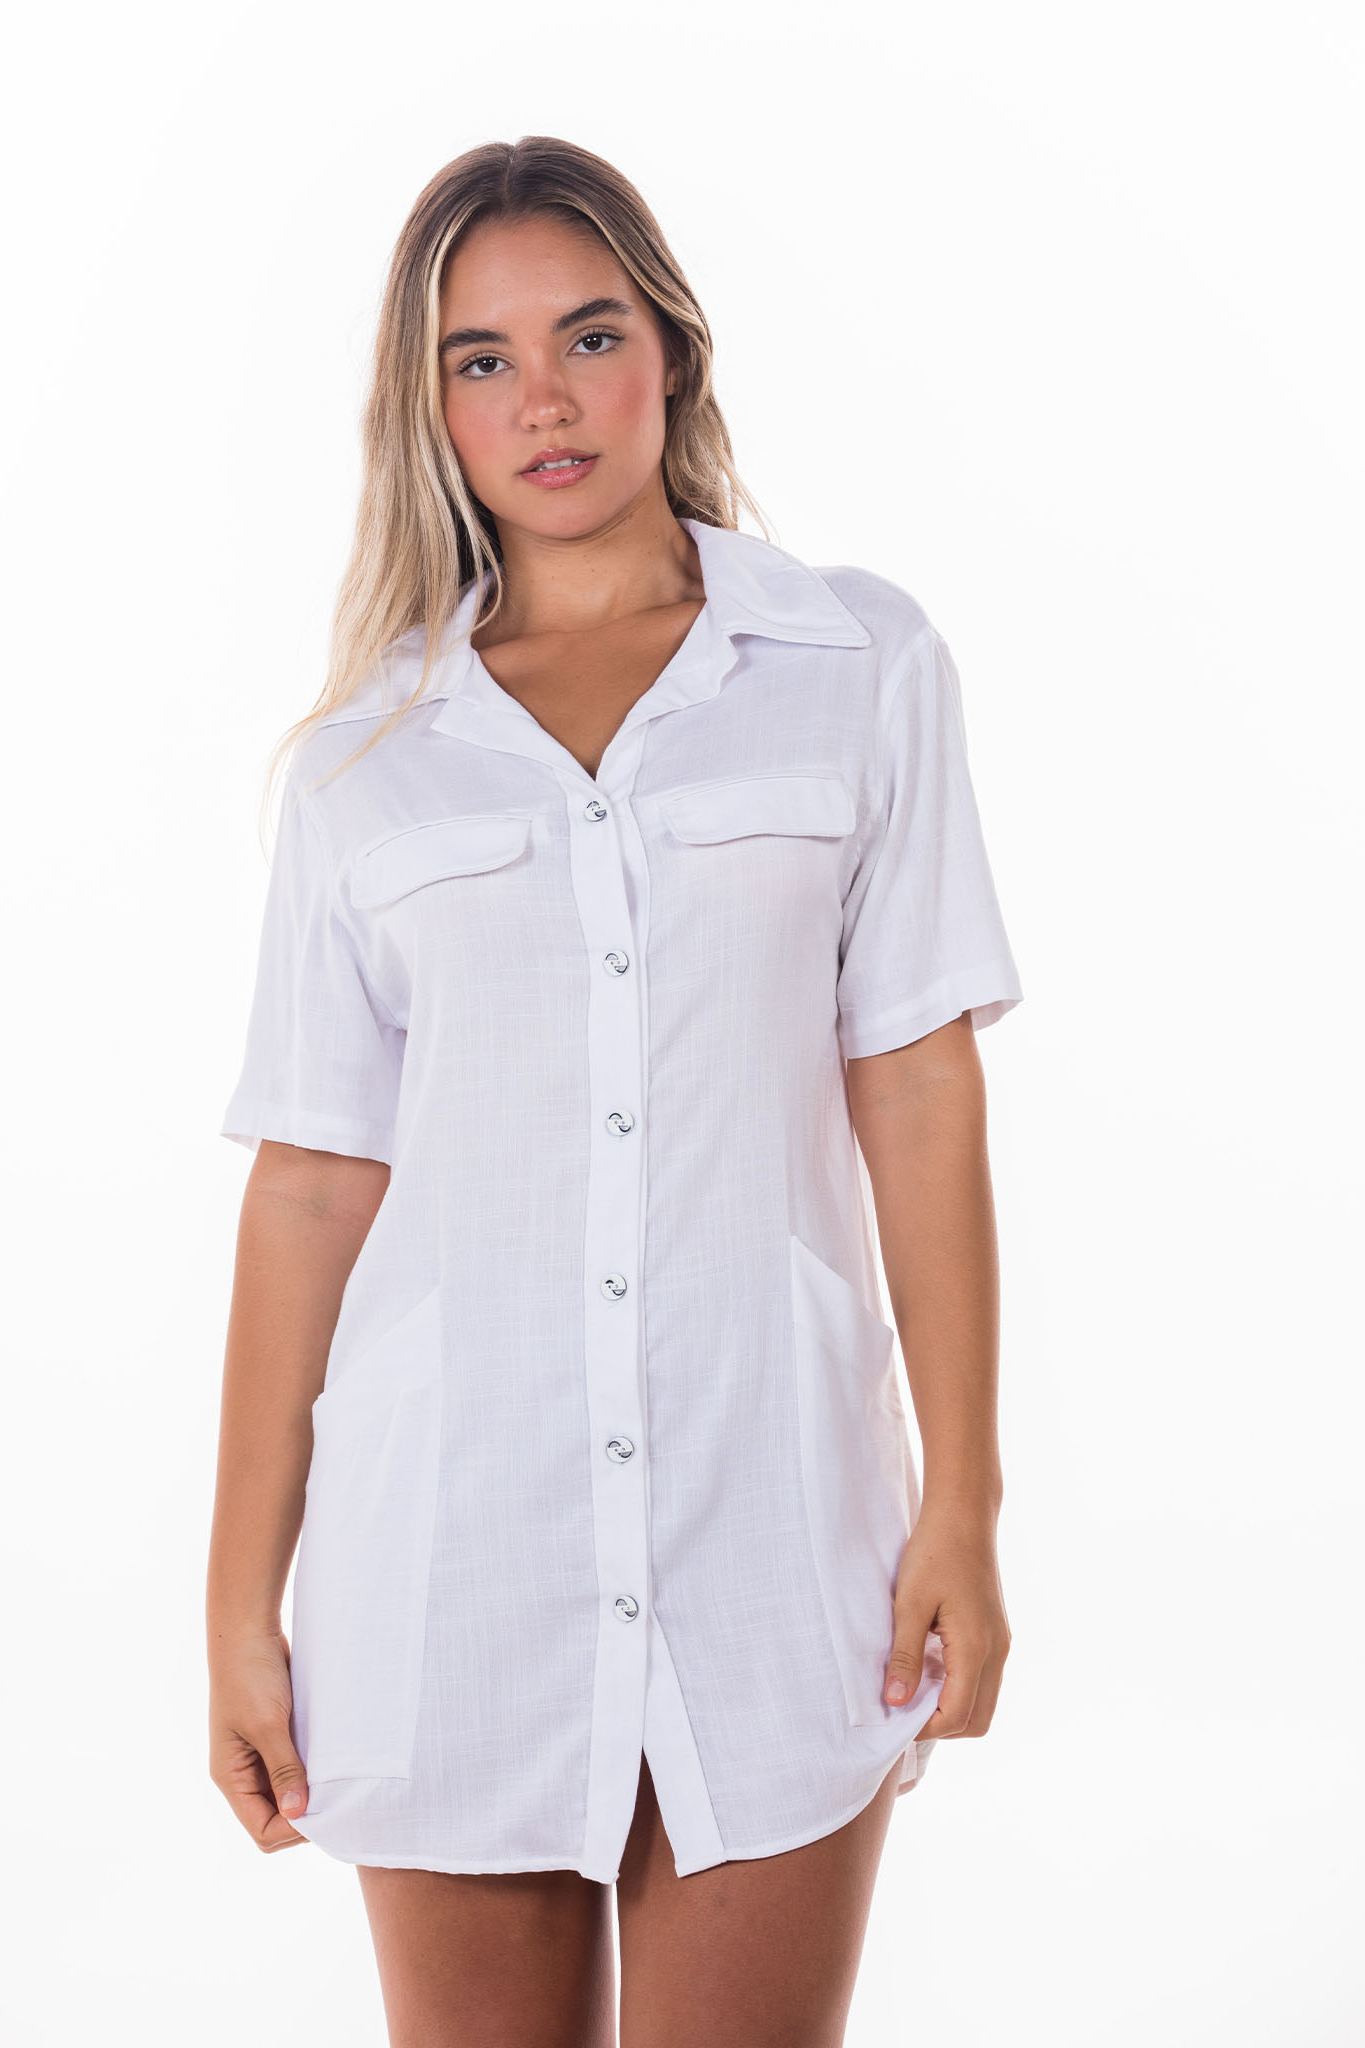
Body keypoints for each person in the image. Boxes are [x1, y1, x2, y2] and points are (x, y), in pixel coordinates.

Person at [207, 134, 1024, 2048]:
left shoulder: (853, 664)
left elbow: (917, 1092)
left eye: (587, 336)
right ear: (428, 408)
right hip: (452, 1552)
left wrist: (965, 1502)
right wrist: (240, 1603)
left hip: (775, 1528)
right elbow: (312, 1185)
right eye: (481, 361)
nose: (546, 401)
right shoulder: (366, 759)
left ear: (672, 349)